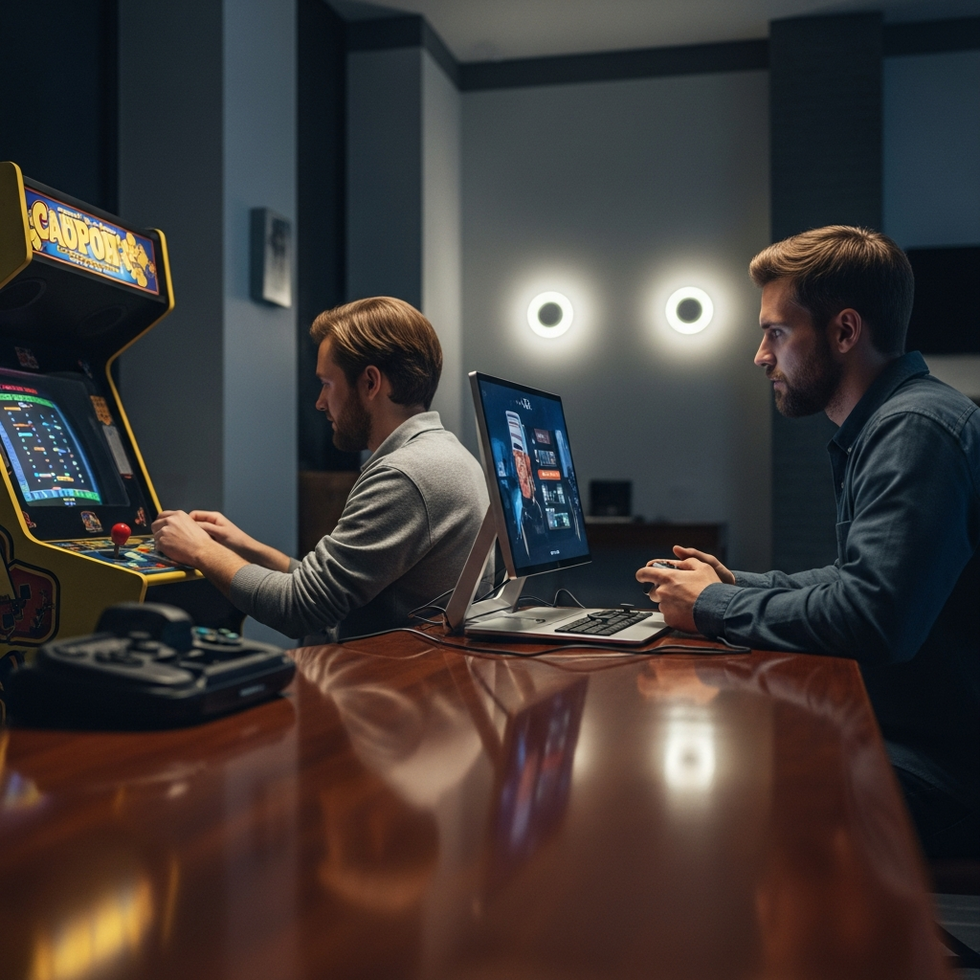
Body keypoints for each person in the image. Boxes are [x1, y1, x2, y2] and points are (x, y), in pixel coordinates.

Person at [636, 226, 980, 859]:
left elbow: (875, 619)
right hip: (923, 736)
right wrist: (735, 587)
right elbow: (857, 580)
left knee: (741, 780)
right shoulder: (891, 423)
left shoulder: (914, 430)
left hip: (950, 770)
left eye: (775, 333)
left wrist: (713, 607)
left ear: (845, 332)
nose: (761, 356)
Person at [153, 297, 491, 640]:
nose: (319, 402)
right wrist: (246, 546)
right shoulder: (450, 456)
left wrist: (201, 550)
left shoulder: (405, 475)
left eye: (327, 384)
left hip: (377, 684)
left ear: (371, 383)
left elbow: (301, 607)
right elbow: (335, 588)